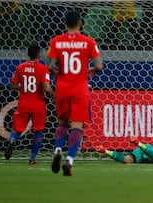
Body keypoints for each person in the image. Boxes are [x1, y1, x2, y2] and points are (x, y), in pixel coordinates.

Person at [47, 10, 103, 176]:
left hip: (63, 88)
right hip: (80, 88)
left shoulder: (56, 41)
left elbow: (49, 66)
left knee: (62, 123)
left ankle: (57, 150)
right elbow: (99, 65)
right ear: (80, 23)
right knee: (77, 126)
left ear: (65, 24)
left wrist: (58, 75)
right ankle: (69, 161)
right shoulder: (89, 42)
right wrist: (92, 70)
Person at [4, 44, 54, 165]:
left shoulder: (20, 67)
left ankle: (12, 141)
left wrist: (24, 86)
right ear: (39, 54)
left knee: (17, 128)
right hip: (38, 105)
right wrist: (54, 96)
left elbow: (13, 85)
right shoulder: (43, 69)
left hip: (23, 103)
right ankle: (32, 159)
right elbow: (47, 88)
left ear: (28, 54)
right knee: (38, 131)